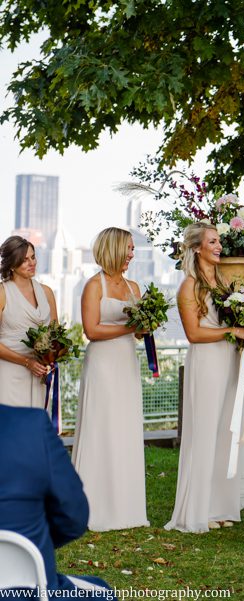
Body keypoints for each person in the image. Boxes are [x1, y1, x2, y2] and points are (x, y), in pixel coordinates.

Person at [165, 223, 244, 533]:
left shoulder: (222, 283)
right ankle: (196, 511)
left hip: (227, 361)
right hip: (205, 362)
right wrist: (232, 330)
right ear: (196, 248)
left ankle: (220, 506)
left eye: (219, 241)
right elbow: (193, 333)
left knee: (224, 434)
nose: (219, 246)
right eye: (213, 241)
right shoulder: (189, 286)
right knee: (204, 434)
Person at [71, 227, 149, 531]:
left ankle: (126, 506)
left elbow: (140, 333)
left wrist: (144, 327)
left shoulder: (134, 287)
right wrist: (131, 328)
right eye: (129, 248)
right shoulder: (93, 285)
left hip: (127, 362)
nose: (132, 253)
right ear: (114, 249)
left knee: (125, 428)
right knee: (100, 427)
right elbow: (91, 331)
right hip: (102, 363)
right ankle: (92, 507)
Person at [0, 404, 113, 596]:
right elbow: (73, 517)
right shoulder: (30, 425)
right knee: (102, 591)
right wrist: (28, 545)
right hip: (30, 592)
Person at [0, 235, 58, 408]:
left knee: (35, 429)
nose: (32, 263)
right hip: (9, 375)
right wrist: (27, 362)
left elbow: (56, 335)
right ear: (11, 264)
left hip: (40, 375)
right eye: (24, 260)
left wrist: (51, 357)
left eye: (33, 257)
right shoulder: (2, 293)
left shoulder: (46, 292)